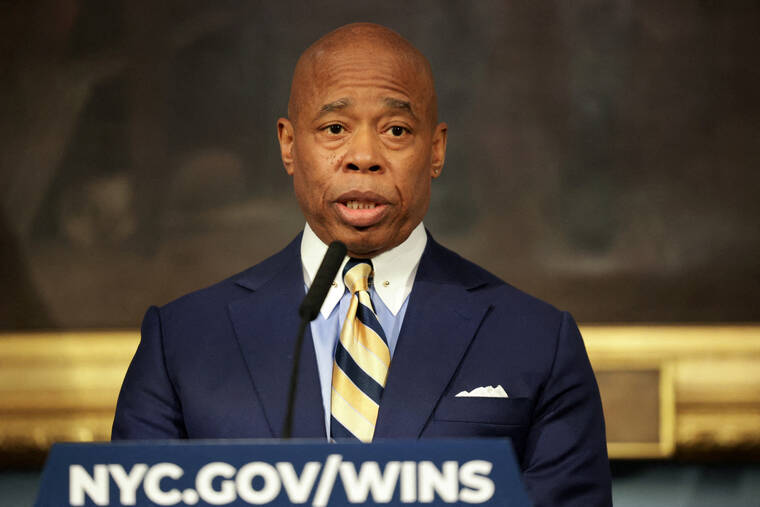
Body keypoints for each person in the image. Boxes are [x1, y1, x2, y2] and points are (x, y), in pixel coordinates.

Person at [112, 23, 612, 506]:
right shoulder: (181, 343)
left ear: (435, 150)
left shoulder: (538, 343)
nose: (364, 156)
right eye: (334, 128)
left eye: (396, 129)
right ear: (289, 145)